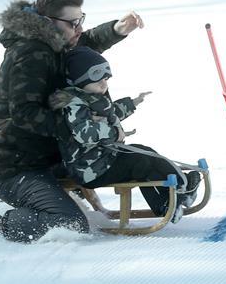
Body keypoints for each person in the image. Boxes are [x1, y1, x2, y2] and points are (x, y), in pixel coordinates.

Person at [0, 0, 145, 242]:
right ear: (47, 22)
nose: (80, 28)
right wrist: (83, 132)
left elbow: (79, 46)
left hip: (43, 158)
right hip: (13, 166)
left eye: (81, 20)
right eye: (73, 22)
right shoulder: (30, 54)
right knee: (69, 224)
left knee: (110, 161)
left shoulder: (52, 42)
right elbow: (24, 113)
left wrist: (115, 30)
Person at [50, 46, 201, 222]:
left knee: (142, 151)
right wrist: (114, 133)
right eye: (97, 80)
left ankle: (179, 192)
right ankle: (168, 201)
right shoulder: (74, 104)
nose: (103, 84)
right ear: (78, 80)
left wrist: (132, 103)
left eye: (105, 79)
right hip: (89, 170)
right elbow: (84, 133)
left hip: (102, 160)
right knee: (139, 162)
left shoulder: (91, 99)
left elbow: (111, 113)